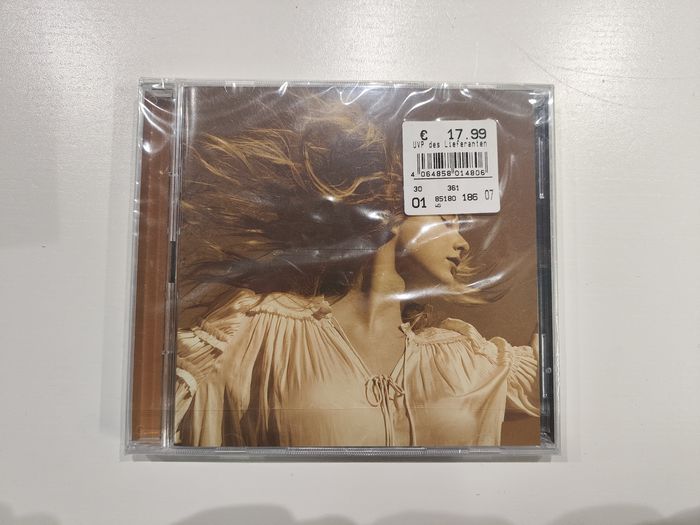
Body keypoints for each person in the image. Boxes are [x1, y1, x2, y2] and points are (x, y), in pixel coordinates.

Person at [174, 95, 539, 447]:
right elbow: (159, 408)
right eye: (447, 220)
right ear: (393, 210)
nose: (463, 244)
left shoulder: (458, 358)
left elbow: (550, 379)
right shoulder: (262, 330)